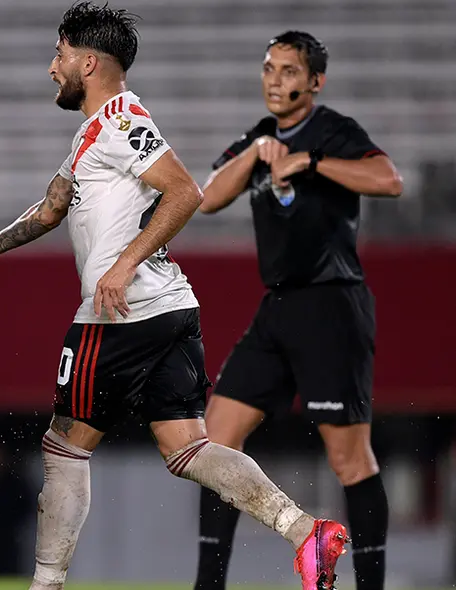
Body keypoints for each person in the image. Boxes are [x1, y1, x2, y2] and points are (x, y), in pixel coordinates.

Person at [0, 4, 348, 590]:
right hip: (168, 309)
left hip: (119, 313)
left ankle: (46, 584)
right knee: (187, 448)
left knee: (63, 446)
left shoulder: (122, 118)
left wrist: (124, 262)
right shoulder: (92, 134)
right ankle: (303, 531)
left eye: (59, 55)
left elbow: (185, 192)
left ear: (88, 62)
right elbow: (54, 206)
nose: (51, 67)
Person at [194, 30, 402, 590]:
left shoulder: (333, 131)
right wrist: (257, 155)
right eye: (269, 69)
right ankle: (207, 585)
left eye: (290, 71)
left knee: (350, 461)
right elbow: (207, 197)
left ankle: (372, 586)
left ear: (315, 81)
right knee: (213, 443)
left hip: (332, 304)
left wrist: (311, 161)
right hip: (279, 307)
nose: (276, 81)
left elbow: (389, 180)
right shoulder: (262, 135)